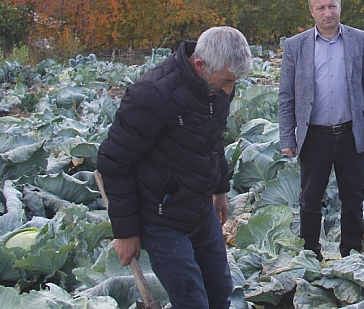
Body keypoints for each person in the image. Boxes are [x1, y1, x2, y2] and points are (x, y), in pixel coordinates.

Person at [97, 26, 252, 309]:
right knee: (192, 301)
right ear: (200, 65)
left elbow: (213, 140)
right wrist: (125, 231)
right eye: (227, 81)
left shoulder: (215, 88)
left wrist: (219, 189)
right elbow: (113, 162)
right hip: (161, 216)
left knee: (220, 294)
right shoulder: (152, 94)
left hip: (199, 206)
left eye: (234, 82)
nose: (230, 90)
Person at [279, 0, 364, 260]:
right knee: (310, 199)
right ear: (311, 11)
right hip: (314, 135)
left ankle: (351, 253)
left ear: (340, 7)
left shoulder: (357, 39)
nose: (328, 13)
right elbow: (286, 95)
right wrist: (287, 137)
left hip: (351, 132)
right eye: (321, 7)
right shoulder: (295, 46)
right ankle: (310, 252)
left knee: (354, 199)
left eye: (332, 6)